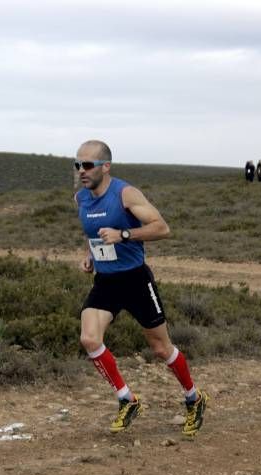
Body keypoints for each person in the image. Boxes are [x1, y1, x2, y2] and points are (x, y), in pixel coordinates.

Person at [73, 139, 209, 436]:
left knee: (161, 348)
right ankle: (127, 399)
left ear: (105, 167)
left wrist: (124, 234)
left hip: (136, 280)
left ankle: (194, 397)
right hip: (106, 281)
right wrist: (90, 256)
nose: (81, 171)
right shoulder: (81, 199)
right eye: (77, 165)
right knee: (89, 339)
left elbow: (162, 228)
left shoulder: (125, 193)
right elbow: (93, 234)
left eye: (87, 165)